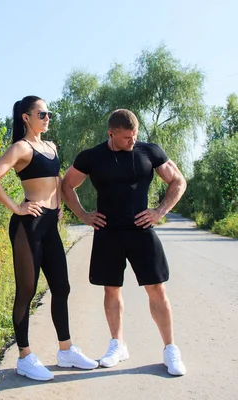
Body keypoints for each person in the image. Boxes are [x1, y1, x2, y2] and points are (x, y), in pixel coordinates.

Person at [61, 109, 187, 376]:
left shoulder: (148, 152)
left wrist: (160, 211)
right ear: (111, 134)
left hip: (141, 231)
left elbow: (178, 180)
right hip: (108, 232)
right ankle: (117, 344)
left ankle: (170, 349)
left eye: (135, 135)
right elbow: (66, 185)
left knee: (157, 289)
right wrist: (83, 215)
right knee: (111, 290)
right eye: (127, 137)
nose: (133, 140)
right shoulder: (92, 157)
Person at [0, 95, 98, 381]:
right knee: (27, 290)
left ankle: (66, 350)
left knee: (62, 286)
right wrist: (17, 207)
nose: (48, 118)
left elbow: (57, 180)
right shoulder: (21, 148)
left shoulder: (51, 146)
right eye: (42, 113)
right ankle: (24, 356)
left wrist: (58, 206)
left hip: (49, 224)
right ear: (26, 117)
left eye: (49, 114)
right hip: (28, 225)